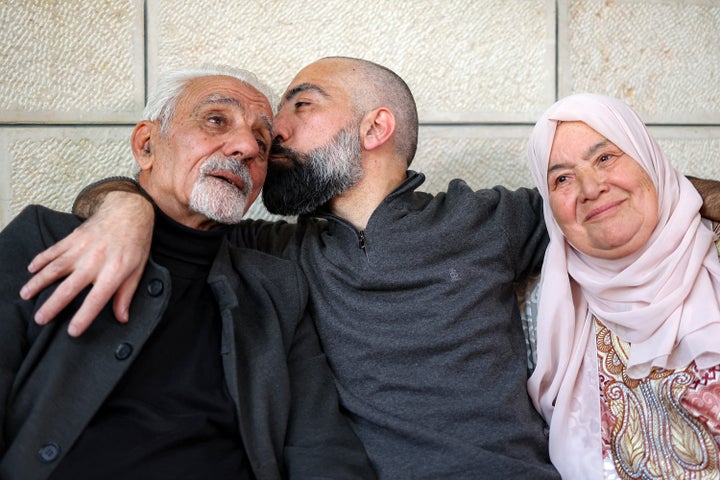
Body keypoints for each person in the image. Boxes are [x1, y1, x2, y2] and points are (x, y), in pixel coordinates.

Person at [19, 58, 720, 477]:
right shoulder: (282, 257)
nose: (274, 136)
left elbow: (619, 198)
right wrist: (122, 208)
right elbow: (175, 222)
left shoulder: (487, 218)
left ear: (375, 128)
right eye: (263, 130)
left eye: (296, 108)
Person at [0, 65, 375, 480]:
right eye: (216, 120)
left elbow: (321, 448)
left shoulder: (275, 287)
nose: (247, 146)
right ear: (146, 145)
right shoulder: (44, 239)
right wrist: (127, 204)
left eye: (263, 142)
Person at [525, 93, 720, 479]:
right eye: (562, 178)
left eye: (605, 158)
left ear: (647, 157)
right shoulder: (543, 307)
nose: (591, 187)